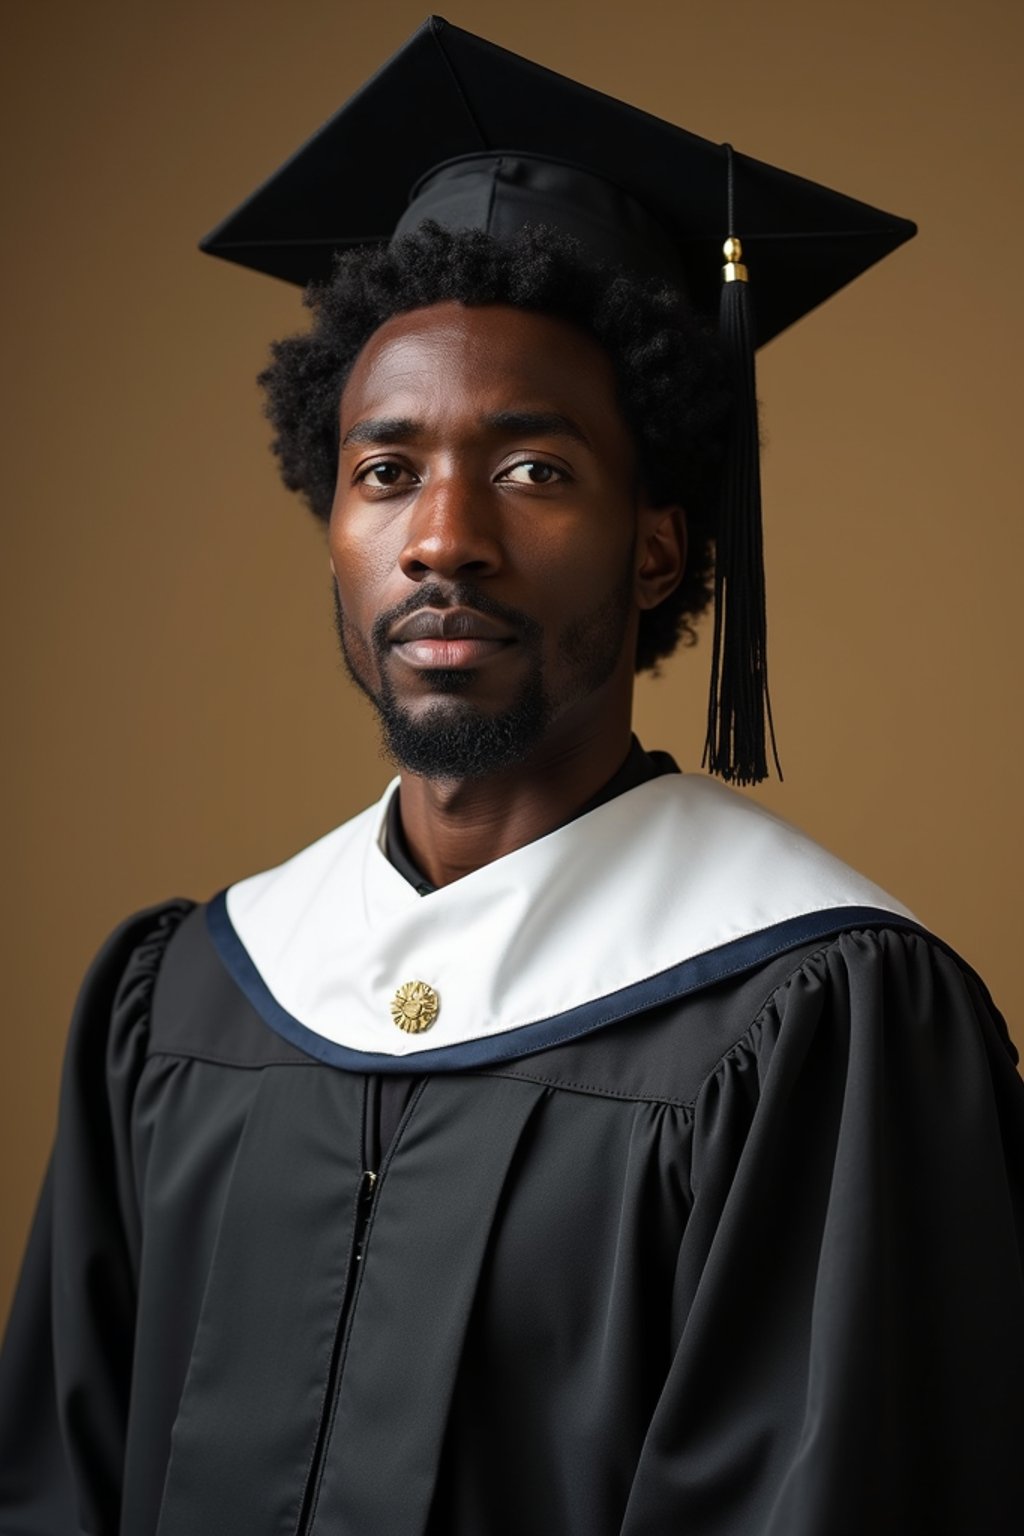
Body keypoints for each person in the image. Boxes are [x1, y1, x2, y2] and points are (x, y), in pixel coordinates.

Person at [2, 16, 1022, 1536]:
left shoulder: (817, 1021)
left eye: (535, 469)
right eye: (385, 469)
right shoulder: (189, 998)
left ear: (662, 542)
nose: (442, 537)